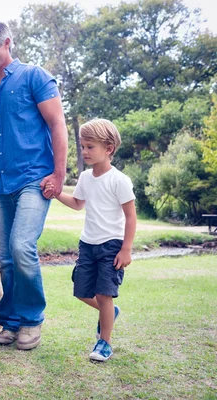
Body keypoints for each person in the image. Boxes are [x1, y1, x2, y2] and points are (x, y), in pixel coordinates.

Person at [0, 20, 68, 350]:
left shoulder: (35, 77)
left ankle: (32, 320)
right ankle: (8, 323)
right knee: (6, 258)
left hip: (34, 179)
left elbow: (57, 124)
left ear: (6, 42)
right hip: (2, 183)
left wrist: (59, 174)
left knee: (22, 246)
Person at [45, 119, 137, 362]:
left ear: (108, 148)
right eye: (83, 146)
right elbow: (78, 204)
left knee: (104, 294)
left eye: (90, 147)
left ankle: (104, 343)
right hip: (88, 244)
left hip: (111, 246)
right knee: (82, 292)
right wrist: (56, 193)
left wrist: (126, 249)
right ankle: (110, 313)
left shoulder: (119, 180)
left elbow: (130, 217)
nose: (84, 151)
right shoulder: (85, 178)